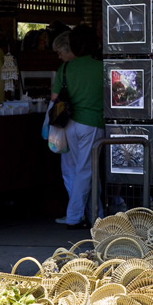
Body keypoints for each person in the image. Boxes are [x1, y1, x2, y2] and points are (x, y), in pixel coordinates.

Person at [50, 26, 104, 229]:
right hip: (92, 123)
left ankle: (95, 215)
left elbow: (54, 98)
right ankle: (74, 216)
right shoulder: (101, 67)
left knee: (79, 171)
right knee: (87, 171)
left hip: (69, 124)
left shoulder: (65, 68)